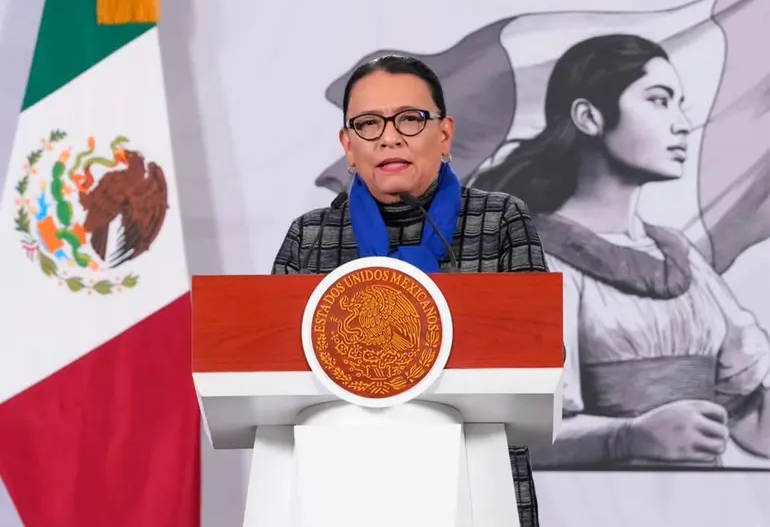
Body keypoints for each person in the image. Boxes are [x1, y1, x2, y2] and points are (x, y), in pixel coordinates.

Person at [272, 54, 550, 526]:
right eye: (368, 123)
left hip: (475, 481)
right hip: (343, 484)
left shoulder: (501, 220)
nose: (389, 137)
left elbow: (541, 361)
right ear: (348, 145)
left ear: (444, 134)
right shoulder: (311, 237)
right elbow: (271, 372)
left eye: (410, 118)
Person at [473, 34, 770, 468]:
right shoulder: (526, 254)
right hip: (588, 500)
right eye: (659, 101)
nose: (682, 124)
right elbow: (506, 433)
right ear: (589, 117)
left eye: (680, 104)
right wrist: (627, 437)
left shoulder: (680, 255)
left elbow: (748, 414)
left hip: (701, 500)